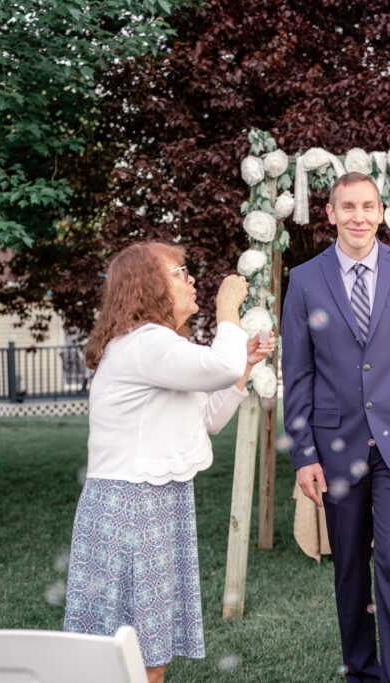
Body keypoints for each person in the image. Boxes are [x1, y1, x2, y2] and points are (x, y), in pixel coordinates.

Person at [63, 242, 273, 683]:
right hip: (131, 508)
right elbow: (219, 361)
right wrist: (227, 307)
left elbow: (209, 418)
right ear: (148, 287)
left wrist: (245, 364)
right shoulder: (146, 345)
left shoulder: (160, 348)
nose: (192, 278)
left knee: (144, 654)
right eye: (180, 272)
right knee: (134, 657)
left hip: (153, 503)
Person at [281, 172, 390, 682]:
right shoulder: (305, 280)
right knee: (350, 571)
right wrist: (304, 455)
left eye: (368, 207)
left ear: (381, 212)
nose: (359, 216)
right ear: (332, 214)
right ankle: (361, 673)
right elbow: (296, 375)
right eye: (348, 207)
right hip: (335, 445)